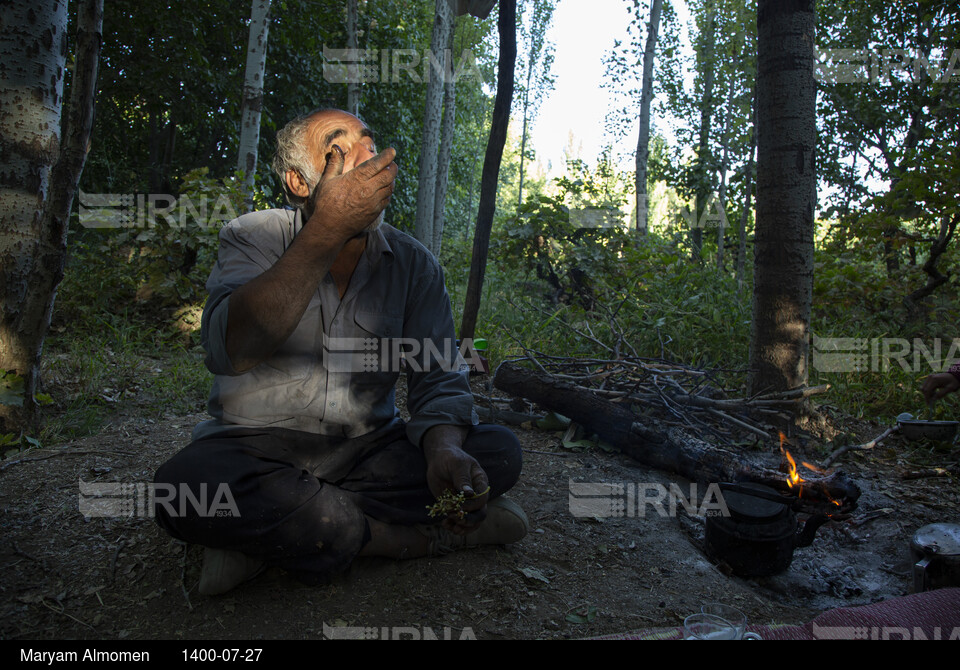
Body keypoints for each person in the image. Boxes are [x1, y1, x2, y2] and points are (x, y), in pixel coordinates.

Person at [153, 108, 526, 595]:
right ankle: (401, 537)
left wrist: (444, 448)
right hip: (255, 450)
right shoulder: (253, 235)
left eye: (368, 143)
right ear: (298, 181)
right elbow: (231, 352)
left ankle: (277, 540)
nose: (366, 152)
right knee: (183, 491)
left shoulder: (415, 265)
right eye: (338, 146)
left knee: (497, 452)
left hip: (368, 451)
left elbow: (438, 378)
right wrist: (327, 230)